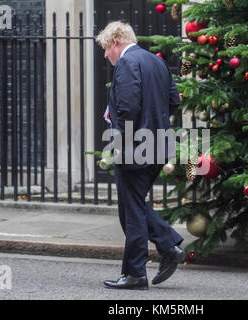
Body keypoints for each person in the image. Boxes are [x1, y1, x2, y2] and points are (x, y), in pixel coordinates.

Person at [96, 21, 184, 290]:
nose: (105, 55)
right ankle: (167, 245)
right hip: (158, 144)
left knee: (131, 210)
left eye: (104, 48)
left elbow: (128, 104)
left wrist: (121, 140)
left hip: (135, 145)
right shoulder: (156, 62)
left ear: (114, 41)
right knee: (132, 206)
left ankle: (136, 273)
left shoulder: (127, 62)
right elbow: (174, 101)